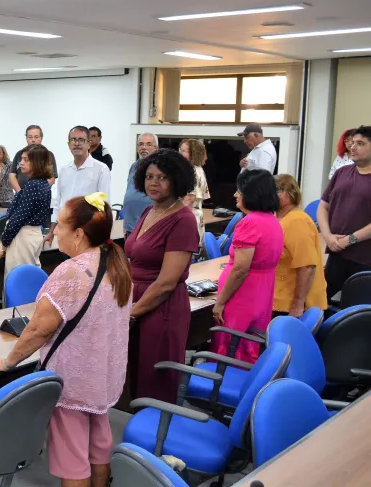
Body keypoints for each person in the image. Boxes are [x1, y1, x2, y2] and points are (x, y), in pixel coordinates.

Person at [0, 192, 131, 487]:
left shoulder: (71, 272)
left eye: (59, 225)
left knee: (72, 455)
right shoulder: (116, 261)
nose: (54, 231)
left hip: (73, 379)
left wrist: (7, 362)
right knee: (99, 442)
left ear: (79, 234)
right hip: (102, 375)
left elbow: (38, 329)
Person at [124, 149, 198, 403]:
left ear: (176, 180)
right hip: (136, 301)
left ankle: (155, 433)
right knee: (130, 371)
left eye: (162, 178)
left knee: (152, 376)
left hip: (160, 307)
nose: (153, 183)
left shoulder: (183, 220)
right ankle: (132, 430)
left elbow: (166, 282)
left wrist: (132, 313)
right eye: (149, 177)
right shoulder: (149, 211)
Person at [212, 169, 283, 364]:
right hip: (261, 292)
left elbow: (241, 269)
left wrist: (219, 302)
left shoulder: (250, 222)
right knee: (247, 345)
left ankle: (221, 385)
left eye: (239, 190)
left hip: (242, 295)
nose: (235, 194)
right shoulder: (272, 219)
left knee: (230, 345)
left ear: (252, 194)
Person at [318, 125, 371, 301]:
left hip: (364, 259)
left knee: (354, 312)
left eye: (360, 143)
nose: (353, 147)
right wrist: (327, 236)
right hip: (336, 254)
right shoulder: (342, 172)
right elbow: (323, 206)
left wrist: (349, 240)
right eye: (353, 142)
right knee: (319, 301)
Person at [273, 175, 328, 317]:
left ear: (289, 194)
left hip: (292, 306)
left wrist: (298, 304)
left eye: (275, 191)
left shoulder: (297, 221)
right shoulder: (280, 219)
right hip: (280, 299)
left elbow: (307, 267)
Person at [0, 144, 54, 281]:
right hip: (33, 235)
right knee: (28, 279)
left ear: (37, 163)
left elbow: (18, 219)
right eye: (21, 159)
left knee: (17, 280)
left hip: (23, 237)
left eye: (26, 160)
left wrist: (4, 241)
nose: (21, 163)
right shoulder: (42, 183)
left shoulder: (33, 185)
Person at [48, 126, 110, 236]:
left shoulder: (101, 169)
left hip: (88, 233)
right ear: (68, 144)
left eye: (81, 140)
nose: (77, 143)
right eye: (73, 140)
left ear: (89, 143)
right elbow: (58, 203)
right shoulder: (64, 169)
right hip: (66, 232)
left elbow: (104, 205)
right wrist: (51, 232)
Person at [121, 133, 160, 236]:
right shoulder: (134, 166)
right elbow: (129, 191)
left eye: (148, 144)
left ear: (156, 148)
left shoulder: (160, 168)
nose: (144, 147)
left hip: (149, 226)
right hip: (130, 225)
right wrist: (125, 224)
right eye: (141, 144)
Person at [179, 138, 211, 251]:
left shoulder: (191, 171)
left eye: (183, 151)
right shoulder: (199, 169)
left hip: (188, 221)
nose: (179, 153)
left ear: (193, 154)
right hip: (194, 218)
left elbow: (189, 199)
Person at [10, 125, 57, 193]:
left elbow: (51, 179)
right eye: (30, 137)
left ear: (41, 138)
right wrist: (20, 193)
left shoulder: (48, 155)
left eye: (36, 137)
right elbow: (12, 175)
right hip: (20, 195)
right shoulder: (19, 154)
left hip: (40, 196)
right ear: (26, 138)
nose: (33, 140)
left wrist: (34, 193)